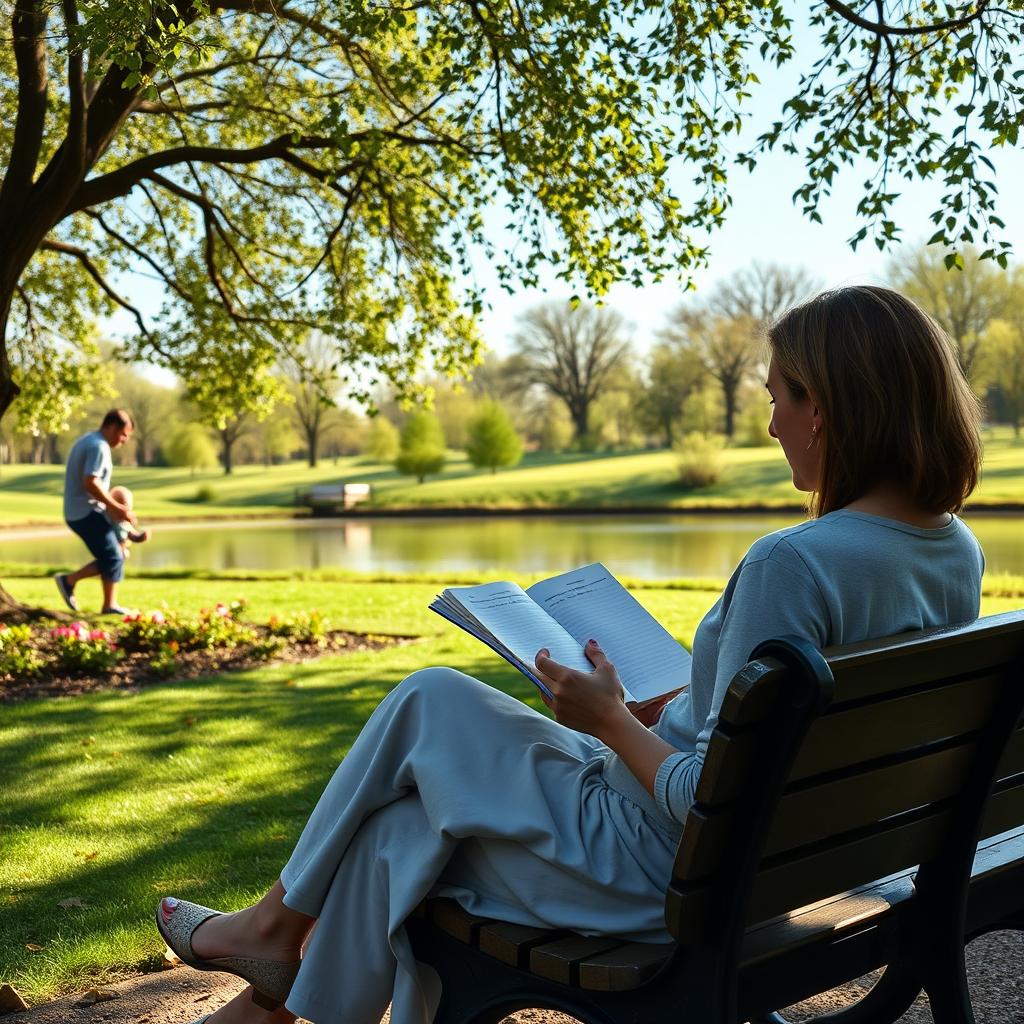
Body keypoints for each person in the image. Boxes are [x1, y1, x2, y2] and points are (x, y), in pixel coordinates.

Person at [155, 286, 985, 1024]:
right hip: (806, 861)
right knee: (403, 822)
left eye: (778, 399)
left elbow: (704, 802)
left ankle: (270, 930)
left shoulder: (792, 563)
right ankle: (264, 1003)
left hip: (677, 877)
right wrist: (666, 711)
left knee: (429, 706)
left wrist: (612, 720)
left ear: (827, 407)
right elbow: (772, 750)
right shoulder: (954, 550)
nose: (770, 424)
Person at [55, 409, 136, 616]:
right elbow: (90, 482)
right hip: (85, 512)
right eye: (124, 434)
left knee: (114, 555)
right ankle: (102, 601)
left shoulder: (89, 440)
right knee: (114, 556)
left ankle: (72, 583)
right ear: (112, 427)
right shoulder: (98, 446)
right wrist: (117, 507)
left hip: (80, 511)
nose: (125, 440)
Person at [105, 485, 151, 558]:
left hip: (121, 543)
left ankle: (122, 550)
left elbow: (131, 533)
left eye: (127, 507)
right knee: (119, 554)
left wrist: (138, 536)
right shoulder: (109, 520)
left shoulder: (125, 523)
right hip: (116, 544)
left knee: (121, 554)